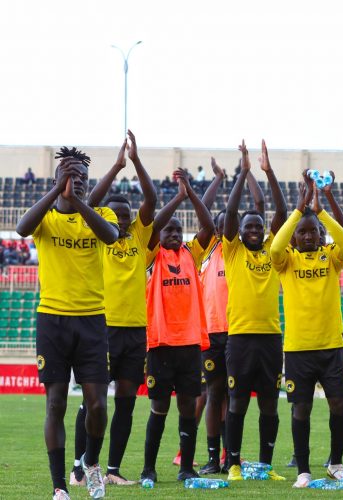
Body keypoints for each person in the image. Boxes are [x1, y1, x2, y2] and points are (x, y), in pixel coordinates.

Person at [16, 146, 120, 500]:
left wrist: (78, 202)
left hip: (91, 320)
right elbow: (21, 228)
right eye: (69, 175)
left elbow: (110, 236)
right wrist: (54, 191)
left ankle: (91, 465)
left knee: (97, 405)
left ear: (88, 184)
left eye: (82, 178)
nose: (75, 181)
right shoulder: (45, 217)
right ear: (59, 178)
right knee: (56, 403)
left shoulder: (99, 213)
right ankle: (59, 485)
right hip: (53, 321)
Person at [68, 131, 156, 487]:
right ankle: (79, 467)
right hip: (101, 329)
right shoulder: (98, 238)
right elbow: (90, 199)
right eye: (115, 216)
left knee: (125, 403)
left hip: (135, 332)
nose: (120, 221)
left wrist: (135, 161)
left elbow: (151, 198)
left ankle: (114, 470)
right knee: (92, 402)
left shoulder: (138, 237)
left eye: (125, 216)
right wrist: (117, 166)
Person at [270, 172, 343, 488]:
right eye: (302, 233)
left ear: (320, 235)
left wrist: (319, 213)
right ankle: (303, 469)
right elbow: (276, 247)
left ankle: (335, 462)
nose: (307, 236)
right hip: (298, 350)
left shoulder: (330, 257)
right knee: (301, 410)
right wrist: (299, 210)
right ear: (295, 237)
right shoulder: (286, 261)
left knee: (339, 405)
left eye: (313, 232)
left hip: (331, 347)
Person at [197, 151, 271, 476]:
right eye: (214, 222)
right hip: (212, 331)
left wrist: (247, 171)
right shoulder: (208, 249)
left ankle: (232, 457)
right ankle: (215, 458)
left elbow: (260, 206)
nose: (217, 224)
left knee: (235, 397)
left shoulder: (244, 249)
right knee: (215, 395)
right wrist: (219, 179)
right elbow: (210, 210)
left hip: (241, 331)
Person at [139, 168, 213, 484]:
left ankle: (186, 467)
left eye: (178, 230)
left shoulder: (190, 255)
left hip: (190, 344)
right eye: (169, 230)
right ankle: (149, 468)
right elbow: (154, 226)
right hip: (160, 344)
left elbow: (209, 226)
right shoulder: (151, 255)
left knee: (187, 407)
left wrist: (190, 195)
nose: (174, 234)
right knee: (158, 408)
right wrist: (176, 198)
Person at [222, 141, 287, 482]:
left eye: (257, 227)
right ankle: (233, 464)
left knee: (269, 406)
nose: (253, 230)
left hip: (271, 340)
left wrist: (268, 171)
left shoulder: (272, 252)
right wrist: (243, 171)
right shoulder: (233, 251)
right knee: (237, 404)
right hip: (240, 339)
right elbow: (231, 214)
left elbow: (281, 210)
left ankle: (265, 466)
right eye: (248, 227)